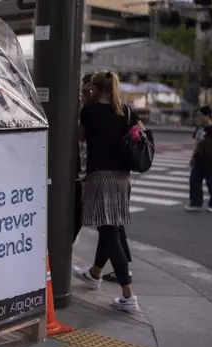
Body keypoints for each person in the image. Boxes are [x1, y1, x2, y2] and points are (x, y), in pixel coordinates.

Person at [73, 70, 138, 311]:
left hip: (100, 178)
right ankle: (95, 274)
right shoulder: (127, 111)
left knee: (109, 232)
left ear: (95, 89)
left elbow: (79, 138)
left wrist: (85, 102)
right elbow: (139, 133)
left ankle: (128, 295)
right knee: (110, 228)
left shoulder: (90, 112)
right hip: (122, 179)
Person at [185, 106, 212, 212]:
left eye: (200, 115)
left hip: (210, 159)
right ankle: (195, 203)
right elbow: (196, 142)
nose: (198, 117)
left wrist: (206, 141)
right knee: (194, 181)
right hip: (199, 157)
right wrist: (193, 157)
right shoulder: (200, 127)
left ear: (207, 116)